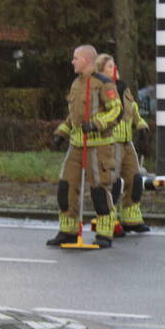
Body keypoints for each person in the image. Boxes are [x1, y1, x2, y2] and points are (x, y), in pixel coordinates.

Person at [46, 45, 122, 249]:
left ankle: (105, 233)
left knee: (99, 190)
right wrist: (61, 132)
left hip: (99, 146)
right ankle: (68, 231)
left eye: (76, 58)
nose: (72, 62)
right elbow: (74, 115)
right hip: (76, 145)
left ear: (87, 61)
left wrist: (97, 124)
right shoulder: (75, 84)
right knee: (66, 187)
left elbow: (116, 111)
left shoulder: (104, 83)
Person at [96, 54, 150, 236]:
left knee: (134, 179)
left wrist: (141, 125)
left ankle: (131, 218)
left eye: (114, 65)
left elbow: (133, 109)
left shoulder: (123, 87)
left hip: (127, 142)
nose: (115, 68)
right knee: (112, 184)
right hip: (110, 142)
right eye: (110, 66)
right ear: (102, 71)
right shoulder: (100, 89)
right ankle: (110, 222)